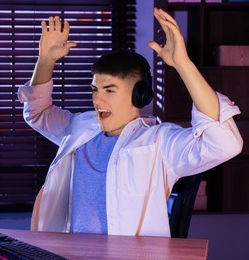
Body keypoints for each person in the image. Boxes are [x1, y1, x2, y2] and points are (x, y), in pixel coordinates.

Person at [17, 8, 243, 237]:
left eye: (109, 90)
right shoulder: (80, 128)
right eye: (95, 90)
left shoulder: (159, 142)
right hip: (71, 252)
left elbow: (225, 143)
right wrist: (45, 60)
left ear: (139, 96)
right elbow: (38, 113)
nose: (97, 99)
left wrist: (183, 65)